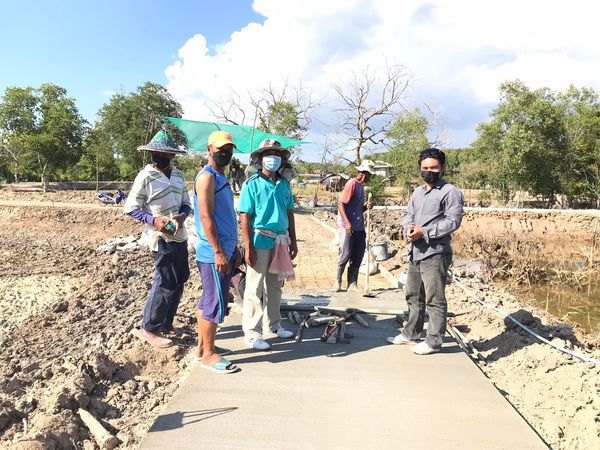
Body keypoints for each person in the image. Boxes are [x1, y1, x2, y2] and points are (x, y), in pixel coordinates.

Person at [387, 148, 464, 355]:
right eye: (425, 168)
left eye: (434, 167)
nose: (429, 171)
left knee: (434, 298)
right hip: (416, 251)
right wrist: (409, 229)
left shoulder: (450, 192)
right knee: (413, 293)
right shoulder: (418, 192)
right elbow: (408, 215)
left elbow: (453, 221)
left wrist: (425, 231)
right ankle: (411, 332)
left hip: (435, 251)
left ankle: (434, 340)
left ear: (443, 168)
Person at [124, 130, 191, 348]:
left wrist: (181, 216)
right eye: (156, 153)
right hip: (160, 237)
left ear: (171, 156)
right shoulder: (145, 177)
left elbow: (186, 203)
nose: (159, 156)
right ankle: (149, 328)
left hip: (179, 235)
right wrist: (155, 221)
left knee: (180, 279)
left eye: (164, 154)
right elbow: (131, 208)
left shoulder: (179, 176)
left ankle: (166, 322)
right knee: (164, 281)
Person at [239, 139, 298, 350]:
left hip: (281, 240)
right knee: (254, 287)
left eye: (277, 153)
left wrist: (293, 240)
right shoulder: (252, 184)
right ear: (260, 159)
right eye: (269, 153)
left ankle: (274, 325)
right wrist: (248, 246)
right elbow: (245, 216)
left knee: (275, 285)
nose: (273, 157)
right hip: (259, 240)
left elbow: (289, 213)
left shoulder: (284, 185)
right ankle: (253, 333)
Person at [193, 131, 241, 374]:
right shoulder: (207, 177)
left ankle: (203, 348)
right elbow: (205, 216)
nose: (226, 153)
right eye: (221, 149)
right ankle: (209, 355)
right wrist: (218, 251)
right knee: (214, 302)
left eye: (229, 149)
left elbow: (225, 216)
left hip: (225, 249)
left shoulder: (221, 178)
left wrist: (234, 247)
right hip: (214, 252)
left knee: (208, 300)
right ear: (209, 149)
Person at [334, 160, 374, 292]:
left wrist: (365, 207)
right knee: (346, 254)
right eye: (370, 175)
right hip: (350, 226)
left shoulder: (361, 186)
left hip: (359, 227)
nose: (371, 178)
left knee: (358, 254)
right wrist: (347, 223)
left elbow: (356, 209)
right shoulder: (351, 184)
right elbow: (341, 204)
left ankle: (352, 283)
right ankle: (337, 282)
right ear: (365, 173)